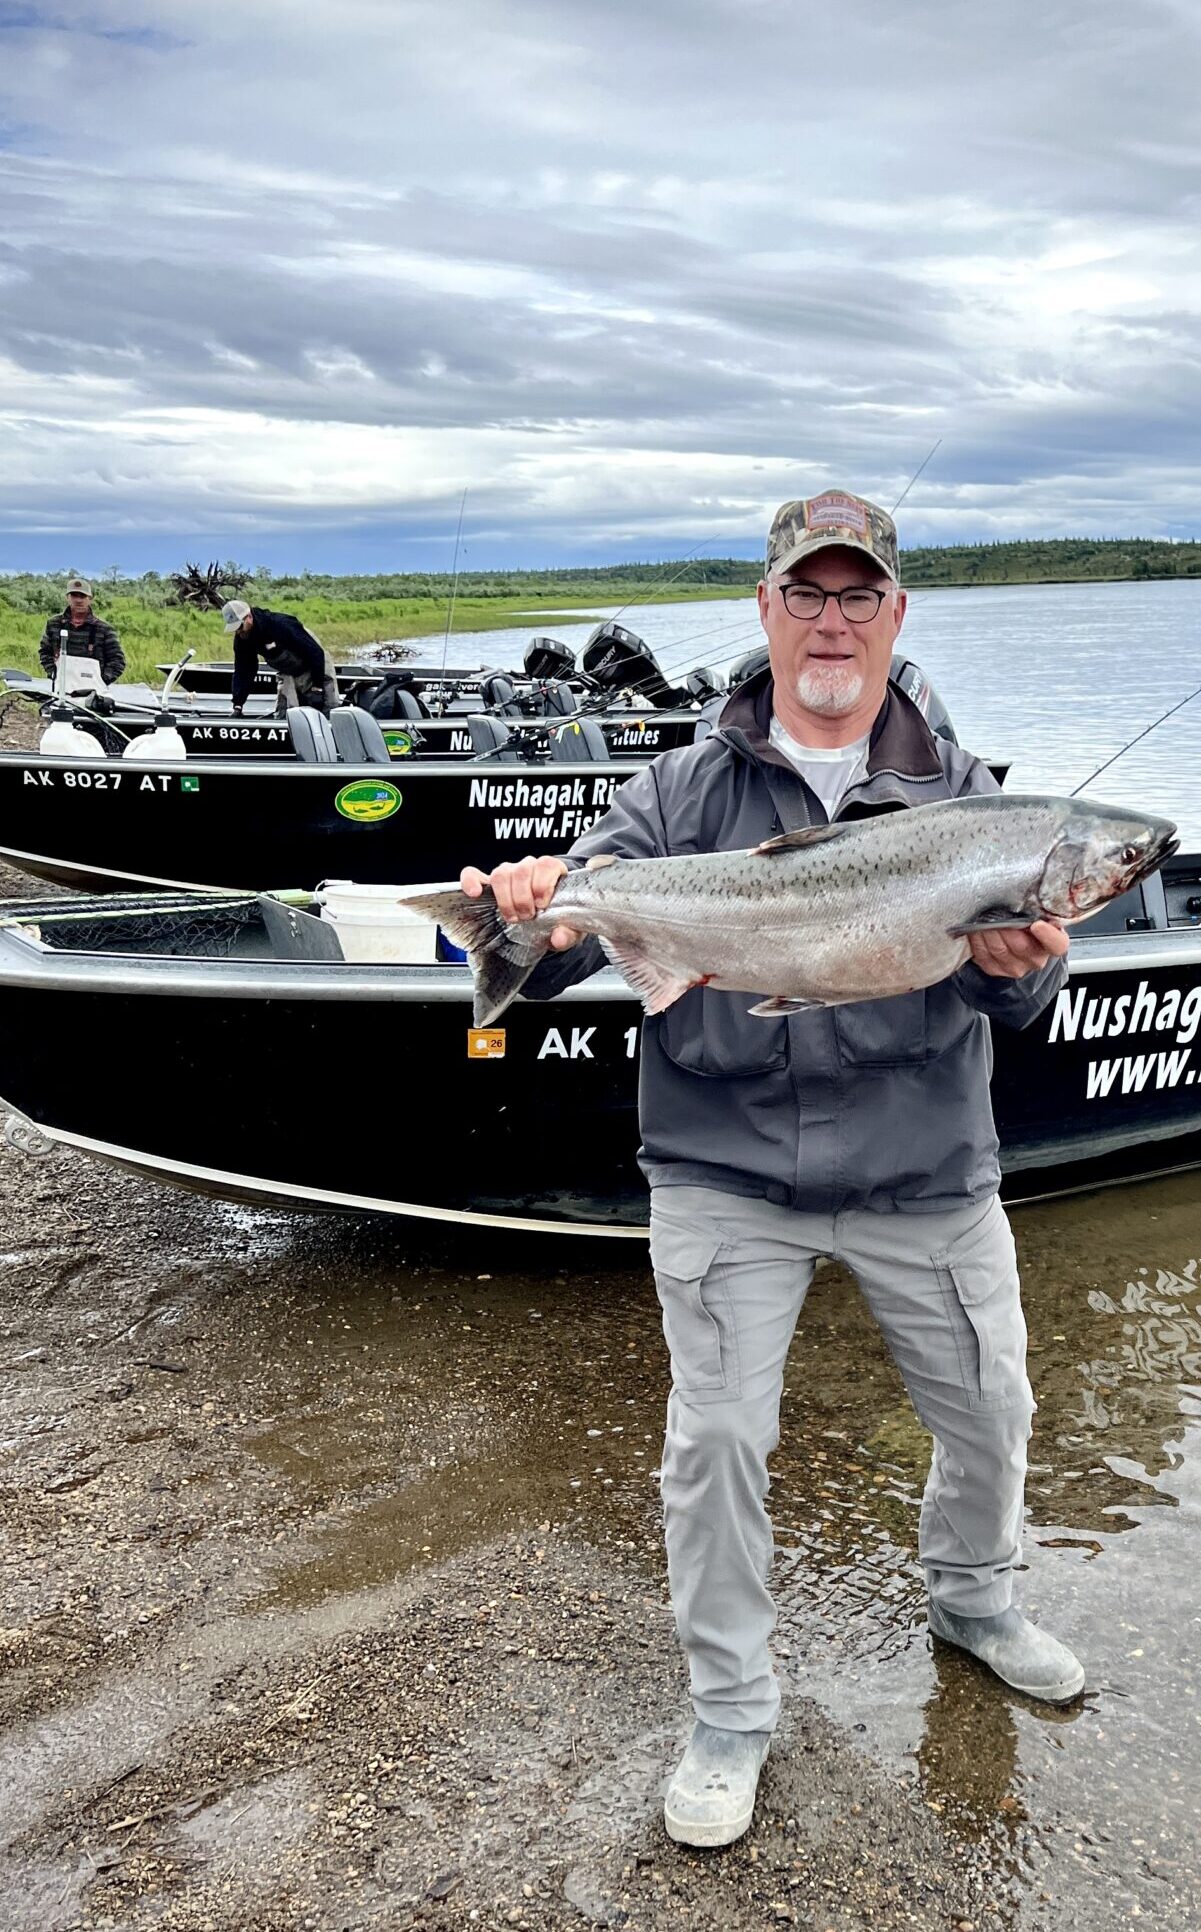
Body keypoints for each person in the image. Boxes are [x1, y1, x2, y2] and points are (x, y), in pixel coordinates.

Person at [463, 490, 1081, 1849]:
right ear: (764, 610)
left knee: (993, 1412)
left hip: (925, 1171)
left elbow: (1026, 1012)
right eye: (807, 593)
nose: (832, 622)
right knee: (720, 1443)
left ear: (897, 616)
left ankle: (974, 1602)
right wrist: (524, 919)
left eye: (860, 596)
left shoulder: (971, 803)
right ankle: (732, 1709)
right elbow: (576, 935)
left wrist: (1029, 974)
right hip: (724, 1170)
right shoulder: (674, 795)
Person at [221, 598, 340, 715]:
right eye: (235, 629)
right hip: (288, 671)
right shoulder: (242, 639)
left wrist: (317, 688)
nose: (238, 632)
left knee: (327, 708)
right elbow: (244, 670)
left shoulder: (280, 624)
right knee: (286, 713)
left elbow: (315, 652)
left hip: (315, 662)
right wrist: (238, 704)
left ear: (249, 617)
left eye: (240, 627)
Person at [38, 577, 126, 685]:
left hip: (94, 690)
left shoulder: (104, 629)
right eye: (74, 595)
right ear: (67, 597)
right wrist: (53, 674)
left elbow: (118, 661)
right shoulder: (53, 624)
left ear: (90, 599)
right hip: (60, 686)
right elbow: (44, 652)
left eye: (82, 596)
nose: (78, 600)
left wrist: (101, 681)